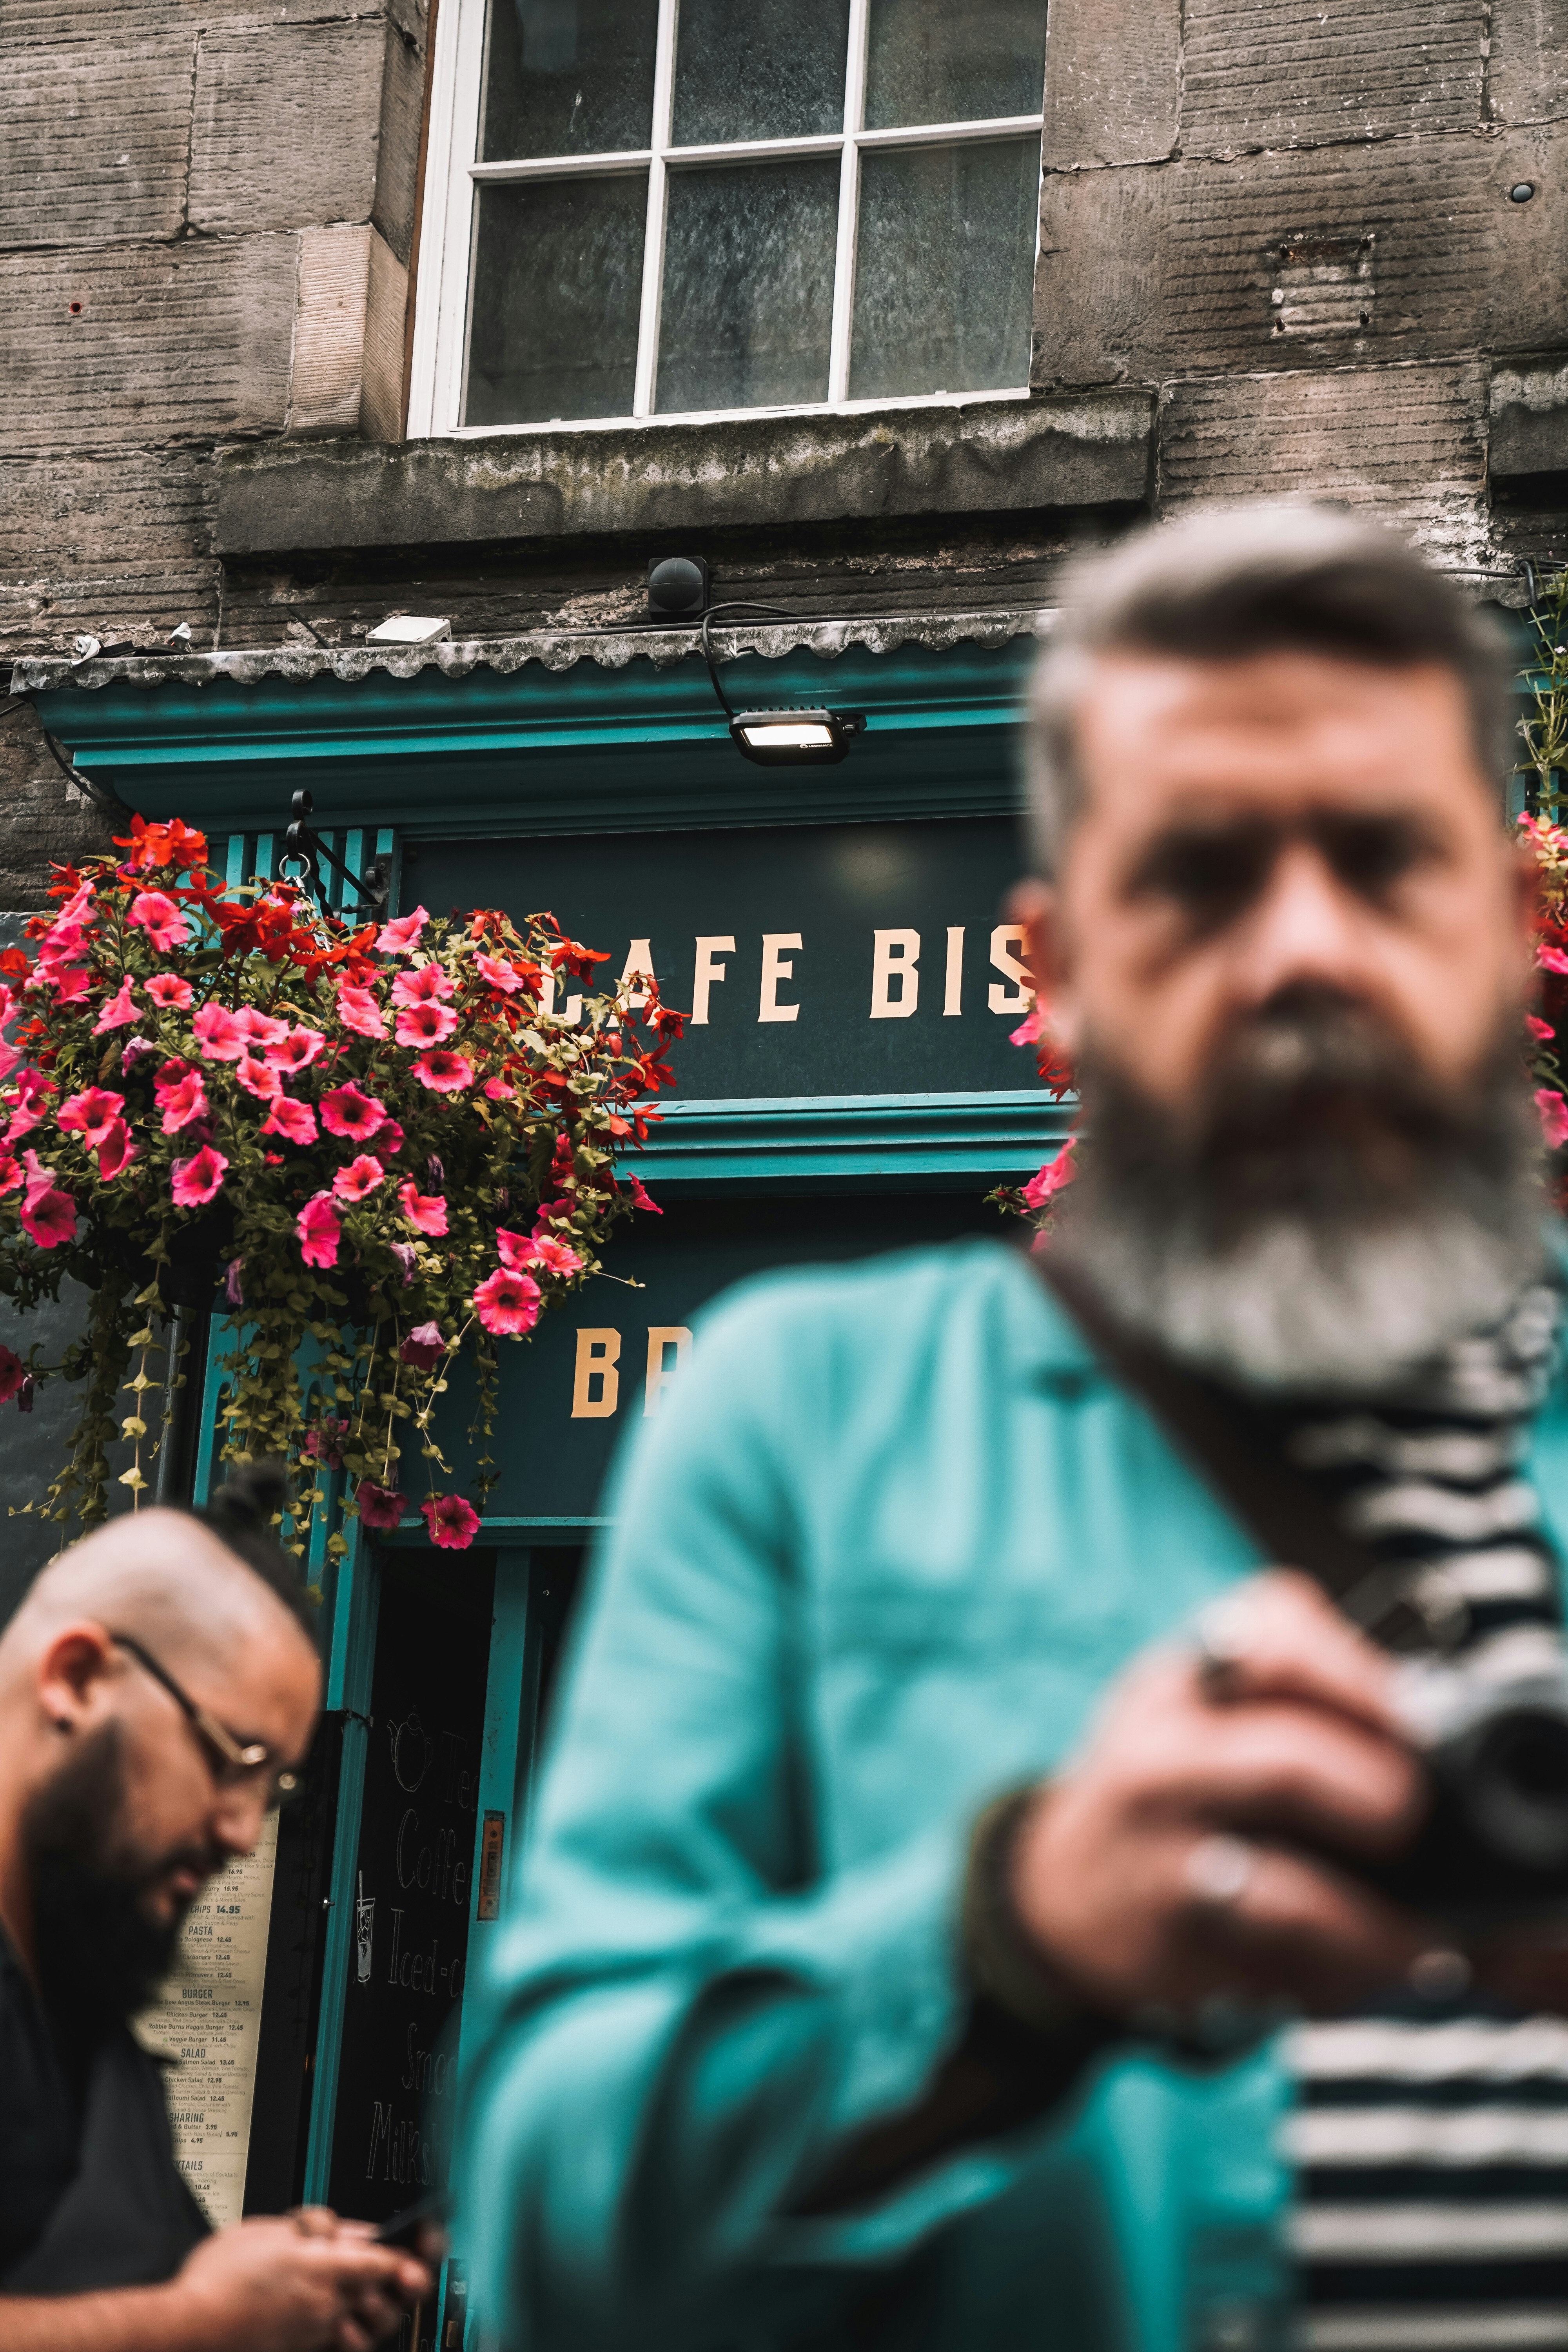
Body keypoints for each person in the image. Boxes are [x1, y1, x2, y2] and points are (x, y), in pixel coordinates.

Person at [454, 504, 1568, 2352]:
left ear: (1507, 932)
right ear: (1047, 971)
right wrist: (1005, 1939)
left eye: (1384, 865)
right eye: (1197, 874)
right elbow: (549, 2225)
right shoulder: (805, 1413)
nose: (1299, 948)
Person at [0, 1465, 434, 2349]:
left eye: (271, 1788)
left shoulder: (90, 2031)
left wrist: (273, 2291)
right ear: (78, 1679)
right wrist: (194, 2321)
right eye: (231, 1758)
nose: (243, 1833)